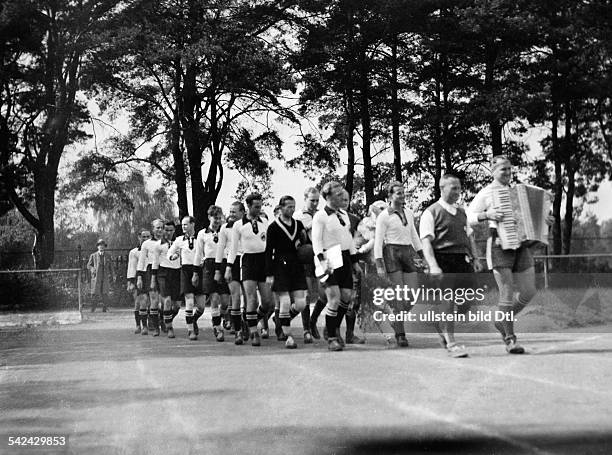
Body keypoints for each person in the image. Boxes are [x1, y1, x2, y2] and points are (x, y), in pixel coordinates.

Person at [467, 155, 553, 354]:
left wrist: (546, 221)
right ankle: (510, 338)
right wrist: (486, 215)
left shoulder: (518, 192)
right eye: (502, 169)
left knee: (529, 291)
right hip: (499, 245)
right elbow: (469, 217)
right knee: (506, 293)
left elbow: (533, 219)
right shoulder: (487, 193)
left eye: (509, 169)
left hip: (521, 246)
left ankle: (502, 320)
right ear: (493, 171)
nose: (507, 172)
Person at [420, 174, 483, 358]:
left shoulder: (462, 213)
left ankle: (440, 323)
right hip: (442, 260)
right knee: (447, 301)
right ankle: (451, 342)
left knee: (468, 298)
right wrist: (433, 265)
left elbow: (470, 237)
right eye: (453, 187)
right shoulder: (431, 212)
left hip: (462, 260)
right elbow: (426, 242)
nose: (458, 191)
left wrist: (476, 258)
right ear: (442, 188)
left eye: (459, 187)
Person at [374, 181, 425, 347]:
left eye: (403, 193)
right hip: (391, 254)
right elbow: (378, 242)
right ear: (389, 196)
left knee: (413, 294)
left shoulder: (409, 213)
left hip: (407, 253)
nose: (402, 196)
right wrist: (380, 266)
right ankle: (400, 334)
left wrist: (423, 255)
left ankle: (393, 316)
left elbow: (414, 236)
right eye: (398, 193)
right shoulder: (384, 216)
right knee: (398, 295)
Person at [312, 181, 361, 351]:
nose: (342, 196)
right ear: (328, 196)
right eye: (338, 194)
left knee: (346, 297)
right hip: (328, 257)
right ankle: (332, 337)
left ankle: (331, 328)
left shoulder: (344, 214)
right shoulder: (320, 216)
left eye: (342, 193)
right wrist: (322, 261)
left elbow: (349, 239)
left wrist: (354, 262)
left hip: (345, 257)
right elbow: (316, 241)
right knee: (334, 297)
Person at [225, 193, 273, 346]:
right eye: (256, 206)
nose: (259, 209)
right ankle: (253, 332)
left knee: (267, 302)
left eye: (260, 206)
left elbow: (269, 244)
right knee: (251, 298)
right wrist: (228, 268)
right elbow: (232, 250)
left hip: (263, 261)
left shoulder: (265, 221)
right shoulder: (239, 225)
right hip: (248, 262)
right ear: (249, 206)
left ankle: (248, 321)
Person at [265, 196, 309, 349]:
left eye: (293, 207)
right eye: (288, 206)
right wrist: (269, 274)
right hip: (280, 265)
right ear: (281, 207)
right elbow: (268, 251)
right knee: (284, 301)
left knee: (301, 303)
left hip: (296, 264)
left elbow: (305, 243)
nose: (291, 209)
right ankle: (288, 336)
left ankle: (281, 320)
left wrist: (304, 243)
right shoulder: (273, 227)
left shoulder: (299, 224)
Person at [194, 205, 230, 342]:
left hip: (223, 264)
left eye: (220, 218)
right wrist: (196, 272)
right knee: (214, 298)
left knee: (225, 302)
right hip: (209, 266)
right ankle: (217, 328)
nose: (217, 221)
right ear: (209, 217)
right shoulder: (202, 233)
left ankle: (221, 317)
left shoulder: (226, 232)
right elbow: (198, 254)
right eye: (215, 218)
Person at [215, 201, 249, 345]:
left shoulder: (248, 225)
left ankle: (246, 323)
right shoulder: (225, 228)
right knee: (235, 296)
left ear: (242, 212)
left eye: (234, 212)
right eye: (230, 211)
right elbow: (220, 248)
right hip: (231, 262)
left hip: (247, 261)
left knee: (249, 298)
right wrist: (218, 269)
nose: (231, 214)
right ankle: (238, 330)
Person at [168, 216, 200, 341]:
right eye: (182, 225)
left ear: (193, 224)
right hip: (186, 271)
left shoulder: (200, 237)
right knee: (190, 302)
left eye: (186, 224)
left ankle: (194, 319)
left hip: (199, 270)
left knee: (201, 306)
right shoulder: (179, 240)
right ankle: (190, 330)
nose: (183, 227)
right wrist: (174, 256)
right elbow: (169, 253)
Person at [152, 221, 181, 339]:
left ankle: (163, 318)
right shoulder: (158, 245)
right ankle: (169, 328)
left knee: (177, 305)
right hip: (163, 273)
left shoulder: (179, 243)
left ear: (174, 230)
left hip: (177, 273)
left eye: (171, 230)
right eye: (166, 230)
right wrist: (153, 279)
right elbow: (155, 262)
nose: (168, 233)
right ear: (163, 230)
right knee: (167, 301)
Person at [137, 219, 164, 336]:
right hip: (148, 272)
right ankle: (149, 326)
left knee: (164, 301)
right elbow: (141, 262)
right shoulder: (146, 244)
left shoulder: (168, 242)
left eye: (161, 228)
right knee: (149, 300)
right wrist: (139, 277)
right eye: (157, 228)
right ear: (153, 229)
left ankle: (162, 321)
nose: (160, 230)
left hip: (164, 271)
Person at [127, 230, 151, 333]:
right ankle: (139, 325)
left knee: (150, 302)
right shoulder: (134, 252)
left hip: (150, 276)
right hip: (138, 278)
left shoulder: (153, 250)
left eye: (147, 237)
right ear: (139, 237)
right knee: (139, 303)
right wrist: (130, 282)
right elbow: (131, 267)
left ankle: (149, 324)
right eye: (143, 236)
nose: (145, 239)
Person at [87, 239, 115, 313]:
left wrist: (113, 275)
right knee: (95, 293)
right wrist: (93, 269)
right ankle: (93, 309)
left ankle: (105, 308)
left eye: (103, 245)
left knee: (105, 293)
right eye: (100, 245)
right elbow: (88, 265)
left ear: (104, 247)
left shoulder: (108, 255)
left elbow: (111, 266)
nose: (101, 247)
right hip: (96, 277)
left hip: (105, 277)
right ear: (97, 247)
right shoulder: (93, 255)